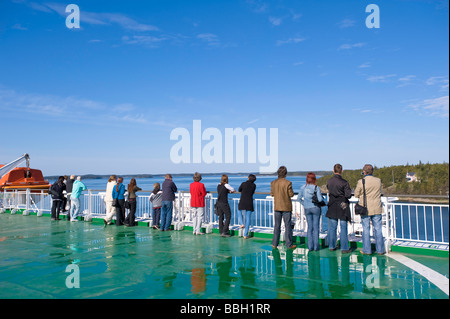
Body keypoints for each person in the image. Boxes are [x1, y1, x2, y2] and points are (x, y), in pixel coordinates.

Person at [354, 164, 385, 255]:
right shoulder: (378, 181)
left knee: (366, 229)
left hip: (365, 208)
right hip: (376, 207)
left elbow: (356, 194)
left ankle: (367, 250)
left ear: (364, 172)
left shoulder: (361, 181)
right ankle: (380, 250)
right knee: (378, 229)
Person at [325, 164, 352, 253]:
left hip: (332, 204)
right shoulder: (344, 182)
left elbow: (329, 190)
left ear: (333, 170)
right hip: (342, 205)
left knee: (332, 227)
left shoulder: (329, 181)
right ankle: (344, 248)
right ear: (342, 171)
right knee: (343, 227)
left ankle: (332, 246)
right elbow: (348, 195)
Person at [271, 166, 296, 249]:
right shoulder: (288, 183)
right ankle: (289, 244)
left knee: (277, 226)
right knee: (287, 226)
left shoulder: (273, 183)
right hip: (286, 207)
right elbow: (291, 194)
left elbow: (272, 194)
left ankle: (274, 243)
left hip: (277, 207)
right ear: (285, 173)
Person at [299, 172, 324, 251]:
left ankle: (310, 247)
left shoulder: (303, 188)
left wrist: (304, 204)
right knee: (316, 228)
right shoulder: (316, 188)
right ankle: (316, 247)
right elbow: (319, 199)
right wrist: (322, 198)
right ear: (314, 179)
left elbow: (298, 198)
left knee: (309, 228)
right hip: (316, 208)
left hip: (307, 209)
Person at [238, 174, 257, 239]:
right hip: (249, 202)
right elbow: (252, 192)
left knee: (239, 210)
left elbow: (239, 189)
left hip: (242, 200)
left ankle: (241, 223)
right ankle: (245, 235)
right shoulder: (254, 185)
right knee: (248, 218)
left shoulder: (243, 184)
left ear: (248, 178)